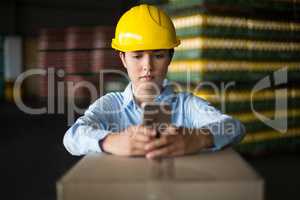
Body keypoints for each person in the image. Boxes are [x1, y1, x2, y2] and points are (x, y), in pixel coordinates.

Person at [63, 4, 245, 159]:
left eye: (158, 55)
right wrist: (110, 141)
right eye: (137, 56)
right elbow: (72, 137)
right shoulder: (110, 105)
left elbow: (234, 127)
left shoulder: (186, 105)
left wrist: (198, 138)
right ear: (124, 59)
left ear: (169, 58)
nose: (147, 66)